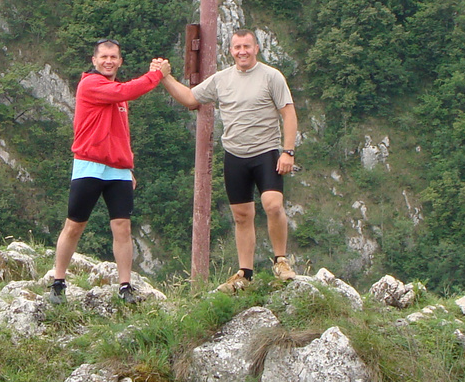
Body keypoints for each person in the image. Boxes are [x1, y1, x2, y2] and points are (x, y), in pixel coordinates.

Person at [159, 29, 298, 292]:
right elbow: (190, 98)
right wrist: (165, 78)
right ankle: (245, 273)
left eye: (247, 46)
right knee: (241, 215)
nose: (242, 51)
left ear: (256, 48)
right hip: (235, 155)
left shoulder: (271, 77)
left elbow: (288, 114)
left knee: (272, 204)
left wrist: (288, 151)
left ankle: (281, 261)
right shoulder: (221, 80)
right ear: (231, 51)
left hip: (266, 151)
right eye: (237, 47)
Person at [48, 40, 168, 304]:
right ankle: (58, 282)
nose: (108, 61)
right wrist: (157, 74)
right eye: (104, 56)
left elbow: (121, 132)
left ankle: (125, 286)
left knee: (122, 227)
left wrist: (128, 165)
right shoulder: (91, 84)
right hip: (89, 163)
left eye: (113, 57)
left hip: (118, 169)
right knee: (75, 225)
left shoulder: (117, 94)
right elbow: (130, 89)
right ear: (94, 60)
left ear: (120, 61)